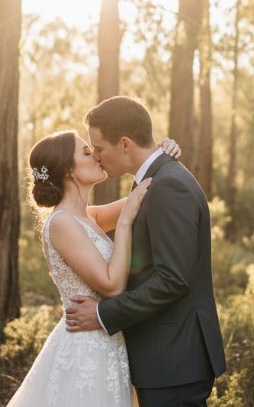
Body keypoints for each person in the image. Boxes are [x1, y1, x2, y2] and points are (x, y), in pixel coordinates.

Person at [65, 95, 226, 407]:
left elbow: (173, 279)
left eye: (99, 148)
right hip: (164, 357)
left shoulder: (168, 185)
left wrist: (101, 314)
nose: (97, 157)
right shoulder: (155, 180)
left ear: (125, 144)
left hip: (174, 359)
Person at [5, 129, 182, 407]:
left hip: (109, 341)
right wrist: (124, 224)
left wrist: (160, 152)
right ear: (68, 171)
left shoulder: (90, 216)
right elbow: (111, 285)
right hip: (84, 349)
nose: (97, 157)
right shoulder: (62, 223)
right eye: (87, 153)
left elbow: (152, 187)